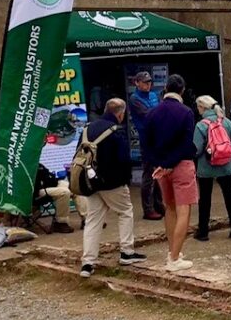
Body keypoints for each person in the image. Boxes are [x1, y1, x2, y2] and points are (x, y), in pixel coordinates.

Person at [79, 98, 144, 278]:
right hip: (112, 183)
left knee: (93, 220)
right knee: (125, 212)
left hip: (91, 183)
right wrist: (126, 179)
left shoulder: (87, 129)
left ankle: (88, 262)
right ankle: (127, 252)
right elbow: (123, 160)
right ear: (120, 113)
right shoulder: (116, 131)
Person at [143, 74, 199, 272]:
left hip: (161, 167)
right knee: (184, 210)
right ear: (182, 90)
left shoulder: (152, 113)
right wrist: (170, 163)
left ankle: (172, 251)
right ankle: (174, 258)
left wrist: (159, 164)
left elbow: (146, 144)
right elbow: (186, 143)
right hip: (181, 164)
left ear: (165, 88)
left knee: (170, 208)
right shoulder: (186, 112)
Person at [193, 95, 231, 242]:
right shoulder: (226, 122)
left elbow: (196, 149)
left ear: (202, 108)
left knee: (205, 199)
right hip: (226, 165)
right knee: (230, 197)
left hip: (206, 167)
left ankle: (203, 232)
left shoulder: (201, 125)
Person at [128, 71, 165, 221]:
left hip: (158, 138)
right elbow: (149, 114)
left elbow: (158, 112)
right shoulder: (134, 98)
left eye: (149, 82)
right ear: (136, 83)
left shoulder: (154, 95)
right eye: (144, 82)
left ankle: (158, 204)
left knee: (158, 173)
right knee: (149, 175)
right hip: (147, 140)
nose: (147, 84)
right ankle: (148, 209)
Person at [34, 163, 74, 233]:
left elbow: (48, 175)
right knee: (64, 192)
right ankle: (61, 223)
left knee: (74, 187)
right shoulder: (24, 166)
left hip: (52, 184)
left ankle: (85, 218)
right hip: (38, 191)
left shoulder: (38, 164)